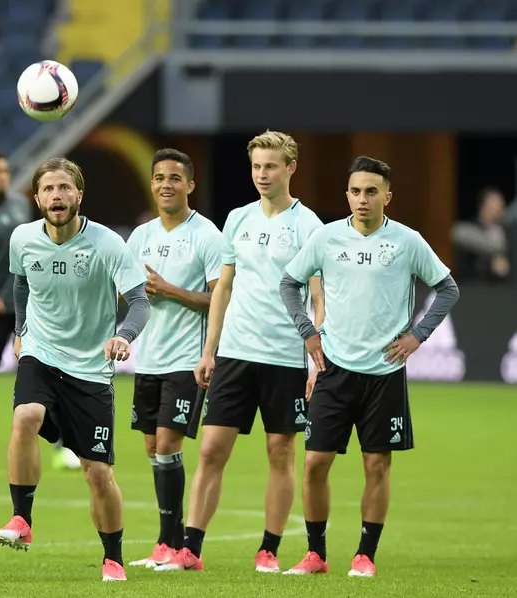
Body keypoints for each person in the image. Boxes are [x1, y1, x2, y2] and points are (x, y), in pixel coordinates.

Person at [279, 156, 459, 577]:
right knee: (314, 463)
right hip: (333, 369)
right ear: (347, 195)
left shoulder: (407, 241)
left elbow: (447, 288)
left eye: (371, 192)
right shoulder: (326, 239)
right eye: (356, 191)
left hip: (384, 375)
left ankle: (365, 555)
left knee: (376, 465)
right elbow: (290, 282)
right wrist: (307, 330)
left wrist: (418, 335)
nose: (363, 199)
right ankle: (316, 554)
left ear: (387, 197)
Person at [157, 131, 324, 574]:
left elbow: (319, 296)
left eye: (271, 166)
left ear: (291, 168)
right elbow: (223, 288)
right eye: (256, 167)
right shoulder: (238, 219)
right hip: (235, 353)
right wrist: (209, 350)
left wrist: (316, 359)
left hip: (285, 356)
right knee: (211, 449)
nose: (262, 175)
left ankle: (268, 549)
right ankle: (190, 548)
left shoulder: (309, 226)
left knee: (280, 453)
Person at [0, 157, 150, 582]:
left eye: (64, 188)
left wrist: (124, 336)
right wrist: (21, 329)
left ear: (79, 195)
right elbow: (21, 283)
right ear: (37, 197)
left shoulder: (109, 244)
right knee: (25, 416)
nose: (56, 196)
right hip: (41, 353)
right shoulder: (22, 238)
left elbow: (139, 302)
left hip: (91, 370)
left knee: (97, 473)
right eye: (48, 189)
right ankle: (21, 520)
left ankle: (113, 557)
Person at [125, 149, 225, 568]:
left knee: (168, 443)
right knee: (153, 447)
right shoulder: (140, 236)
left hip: (186, 360)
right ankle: (167, 544)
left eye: (174, 178)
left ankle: (178, 545)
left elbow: (221, 297)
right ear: (152, 184)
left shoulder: (207, 235)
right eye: (159, 177)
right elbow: (124, 291)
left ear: (190, 185)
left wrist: (169, 290)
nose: (166, 184)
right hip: (146, 359)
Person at [0, 151, 81, 474]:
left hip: (28, 305)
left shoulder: (20, 206)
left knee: (49, 375)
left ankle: (61, 446)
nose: (3, 175)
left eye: (5, 170)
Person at [451, 186, 510, 282]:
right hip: (471, 286)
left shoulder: (504, 232)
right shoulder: (466, 229)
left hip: (499, 289)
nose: (500, 206)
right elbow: (457, 234)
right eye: (494, 202)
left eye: (501, 203)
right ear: (484, 204)